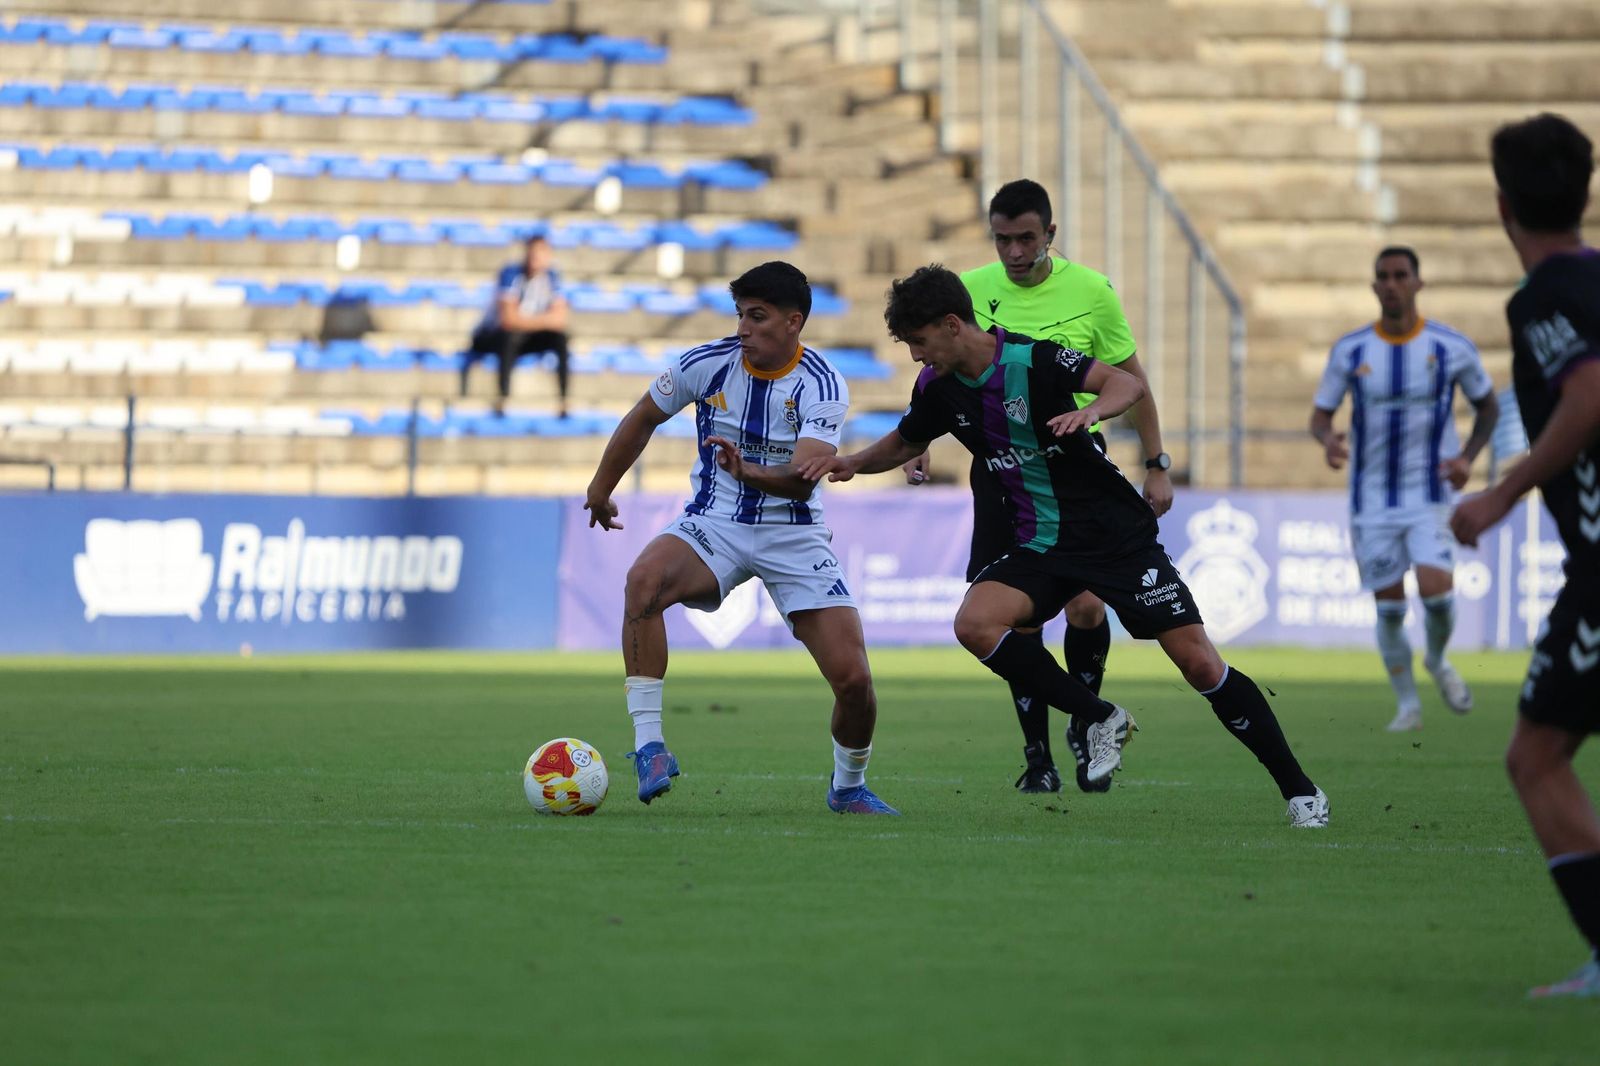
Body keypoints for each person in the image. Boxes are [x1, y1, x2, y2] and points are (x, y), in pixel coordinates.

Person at [799, 264, 1327, 827]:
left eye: (919, 341)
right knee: (975, 623)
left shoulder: (1035, 358)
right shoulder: (938, 385)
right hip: (1043, 542)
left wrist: (1092, 410)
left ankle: (1301, 792)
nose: (914, 356)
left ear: (952, 325)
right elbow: (907, 441)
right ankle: (1101, 717)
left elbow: (1127, 384)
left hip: (1114, 537)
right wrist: (853, 462)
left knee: (1199, 663)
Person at [583, 261, 898, 815]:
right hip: (715, 523)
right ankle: (650, 747)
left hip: (793, 534)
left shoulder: (822, 383)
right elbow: (643, 416)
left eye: (757, 317)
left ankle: (848, 786)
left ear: (794, 322)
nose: (743, 329)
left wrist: (747, 470)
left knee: (854, 681)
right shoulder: (706, 364)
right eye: (740, 315)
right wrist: (600, 487)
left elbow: (802, 481)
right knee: (643, 581)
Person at [905, 178, 1174, 795]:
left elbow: (1131, 379)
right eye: (1002, 239)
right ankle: (1038, 757)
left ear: (1050, 233)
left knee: (1086, 606)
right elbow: (936, 371)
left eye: (1026, 238)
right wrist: (917, 439)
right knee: (1015, 621)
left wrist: (1156, 461)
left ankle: (1088, 721)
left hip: (1073, 467)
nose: (1014, 252)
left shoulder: (1092, 291)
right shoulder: (970, 289)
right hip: (1000, 470)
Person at [1451, 113, 1600, 999]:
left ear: (1502, 204)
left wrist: (1500, 494)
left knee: (1536, 755)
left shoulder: (1545, 296)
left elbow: (1589, 393)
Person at [1310, 246, 1499, 732]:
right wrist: (1328, 440)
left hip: (1428, 495)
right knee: (1390, 608)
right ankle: (1408, 705)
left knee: (1437, 594)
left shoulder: (1450, 347)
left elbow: (1489, 407)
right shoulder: (1351, 350)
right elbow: (1320, 416)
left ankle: (1436, 658)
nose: (1391, 284)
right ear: (1374, 286)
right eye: (1384, 276)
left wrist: (1468, 457)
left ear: (1418, 283)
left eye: (1400, 275)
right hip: (1371, 501)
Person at [461, 234, 571, 416]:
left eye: (541, 253)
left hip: (523, 336)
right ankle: (503, 397)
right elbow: (508, 320)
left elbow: (560, 320)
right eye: (533, 253)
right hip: (491, 336)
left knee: (560, 339)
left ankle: (564, 399)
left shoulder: (551, 277)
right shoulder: (511, 274)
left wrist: (526, 321)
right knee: (509, 337)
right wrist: (545, 320)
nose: (536, 258)